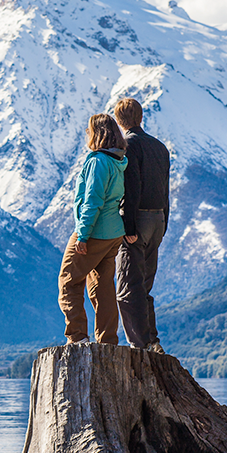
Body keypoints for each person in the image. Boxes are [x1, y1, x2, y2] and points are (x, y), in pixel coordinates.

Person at [57, 114, 128, 345]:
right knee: (102, 287)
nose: (87, 134)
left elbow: (93, 201)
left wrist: (83, 235)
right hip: (114, 233)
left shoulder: (98, 161)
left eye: (89, 130)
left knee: (68, 280)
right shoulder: (118, 161)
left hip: (94, 232)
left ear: (97, 133)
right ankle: (107, 340)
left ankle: (77, 337)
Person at [113, 98, 171, 354]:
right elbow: (165, 189)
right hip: (158, 219)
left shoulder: (128, 145)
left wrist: (129, 226)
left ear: (119, 120)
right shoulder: (160, 147)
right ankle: (152, 341)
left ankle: (141, 345)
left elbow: (132, 186)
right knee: (144, 286)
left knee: (127, 287)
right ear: (141, 117)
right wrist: (163, 223)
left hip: (138, 219)